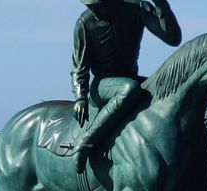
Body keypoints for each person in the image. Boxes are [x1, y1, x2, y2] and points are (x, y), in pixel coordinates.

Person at [71, 0, 181, 162]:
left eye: (98, 5)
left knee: (168, 89)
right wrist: (80, 96)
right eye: (90, 7)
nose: (94, 10)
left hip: (131, 80)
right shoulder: (85, 22)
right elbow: (79, 67)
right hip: (102, 86)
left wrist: (160, 4)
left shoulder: (136, 9)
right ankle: (86, 141)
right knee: (129, 88)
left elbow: (173, 38)